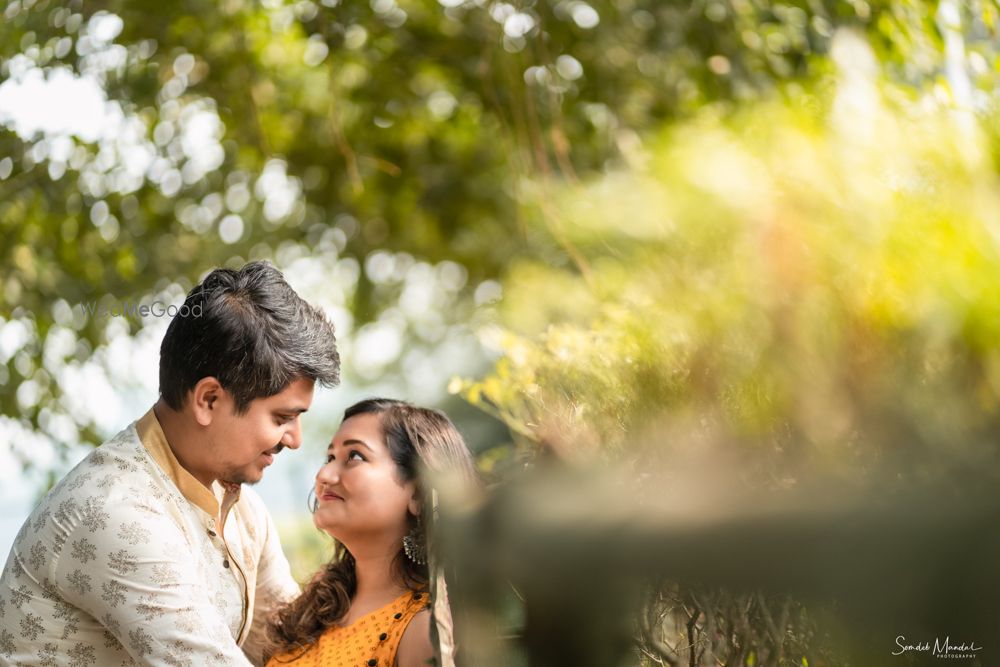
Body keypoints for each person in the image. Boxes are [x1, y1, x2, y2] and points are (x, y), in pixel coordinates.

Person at [0, 261, 341, 666]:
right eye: (282, 418)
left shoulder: (239, 507)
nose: (296, 440)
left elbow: (295, 649)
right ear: (208, 400)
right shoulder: (117, 514)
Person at [264, 398, 478, 667]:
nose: (324, 474)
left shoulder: (424, 629)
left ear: (419, 494)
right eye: (330, 457)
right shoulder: (311, 612)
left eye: (354, 456)